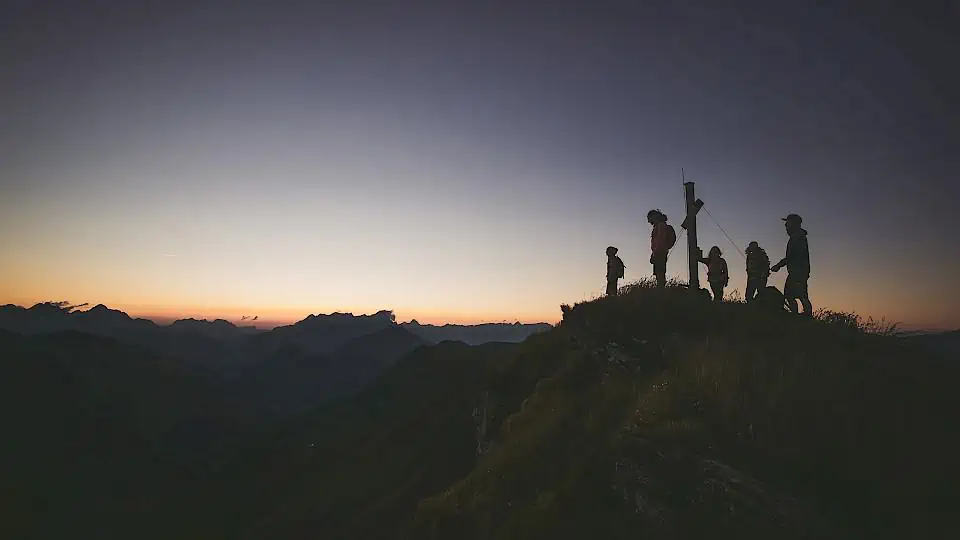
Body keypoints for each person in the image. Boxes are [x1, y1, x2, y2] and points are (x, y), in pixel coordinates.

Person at [771, 214, 812, 316]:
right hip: (798, 272)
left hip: (798, 272)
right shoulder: (797, 236)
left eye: (788, 223)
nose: (786, 225)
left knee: (799, 295)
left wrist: (778, 266)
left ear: (794, 224)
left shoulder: (798, 237)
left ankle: (805, 316)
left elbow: (792, 256)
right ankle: (798, 316)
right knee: (794, 295)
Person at [647, 209, 676, 288]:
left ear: (654, 217)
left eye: (650, 218)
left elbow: (660, 239)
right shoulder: (658, 226)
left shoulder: (661, 225)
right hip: (659, 252)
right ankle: (660, 288)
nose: (649, 221)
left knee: (660, 272)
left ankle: (661, 290)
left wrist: (655, 253)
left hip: (660, 252)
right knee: (659, 272)